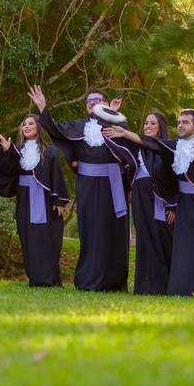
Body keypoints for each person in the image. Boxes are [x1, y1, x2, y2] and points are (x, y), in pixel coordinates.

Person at [104, 109, 194, 297]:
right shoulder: (174, 147)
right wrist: (125, 133)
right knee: (183, 248)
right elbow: (150, 143)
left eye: (185, 122)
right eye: (179, 122)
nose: (181, 125)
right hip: (184, 204)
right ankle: (184, 289)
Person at [27, 85, 135, 292]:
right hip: (87, 184)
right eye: (89, 101)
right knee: (89, 229)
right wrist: (42, 107)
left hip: (113, 185)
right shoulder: (78, 127)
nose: (92, 103)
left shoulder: (117, 124)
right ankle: (88, 280)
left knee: (112, 231)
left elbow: (130, 152)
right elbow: (56, 131)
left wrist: (112, 116)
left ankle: (113, 281)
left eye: (97, 100)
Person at [0, 115, 70, 287]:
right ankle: (34, 278)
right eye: (24, 124)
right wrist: (7, 153)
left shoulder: (49, 152)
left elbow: (56, 176)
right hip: (24, 198)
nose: (26, 126)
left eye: (31, 123)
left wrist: (59, 200)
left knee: (45, 237)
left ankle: (49, 279)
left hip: (44, 200)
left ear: (39, 127)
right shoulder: (17, 151)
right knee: (27, 236)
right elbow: (8, 171)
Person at [129, 112, 177, 295]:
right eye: (146, 123)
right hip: (140, 197)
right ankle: (145, 285)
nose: (148, 126)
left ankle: (164, 285)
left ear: (160, 127)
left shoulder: (167, 149)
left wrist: (173, 205)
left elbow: (174, 179)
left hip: (159, 199)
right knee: (144, 238)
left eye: (153, 123)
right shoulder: (137, 149)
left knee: (161, 237)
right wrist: (112, 112)